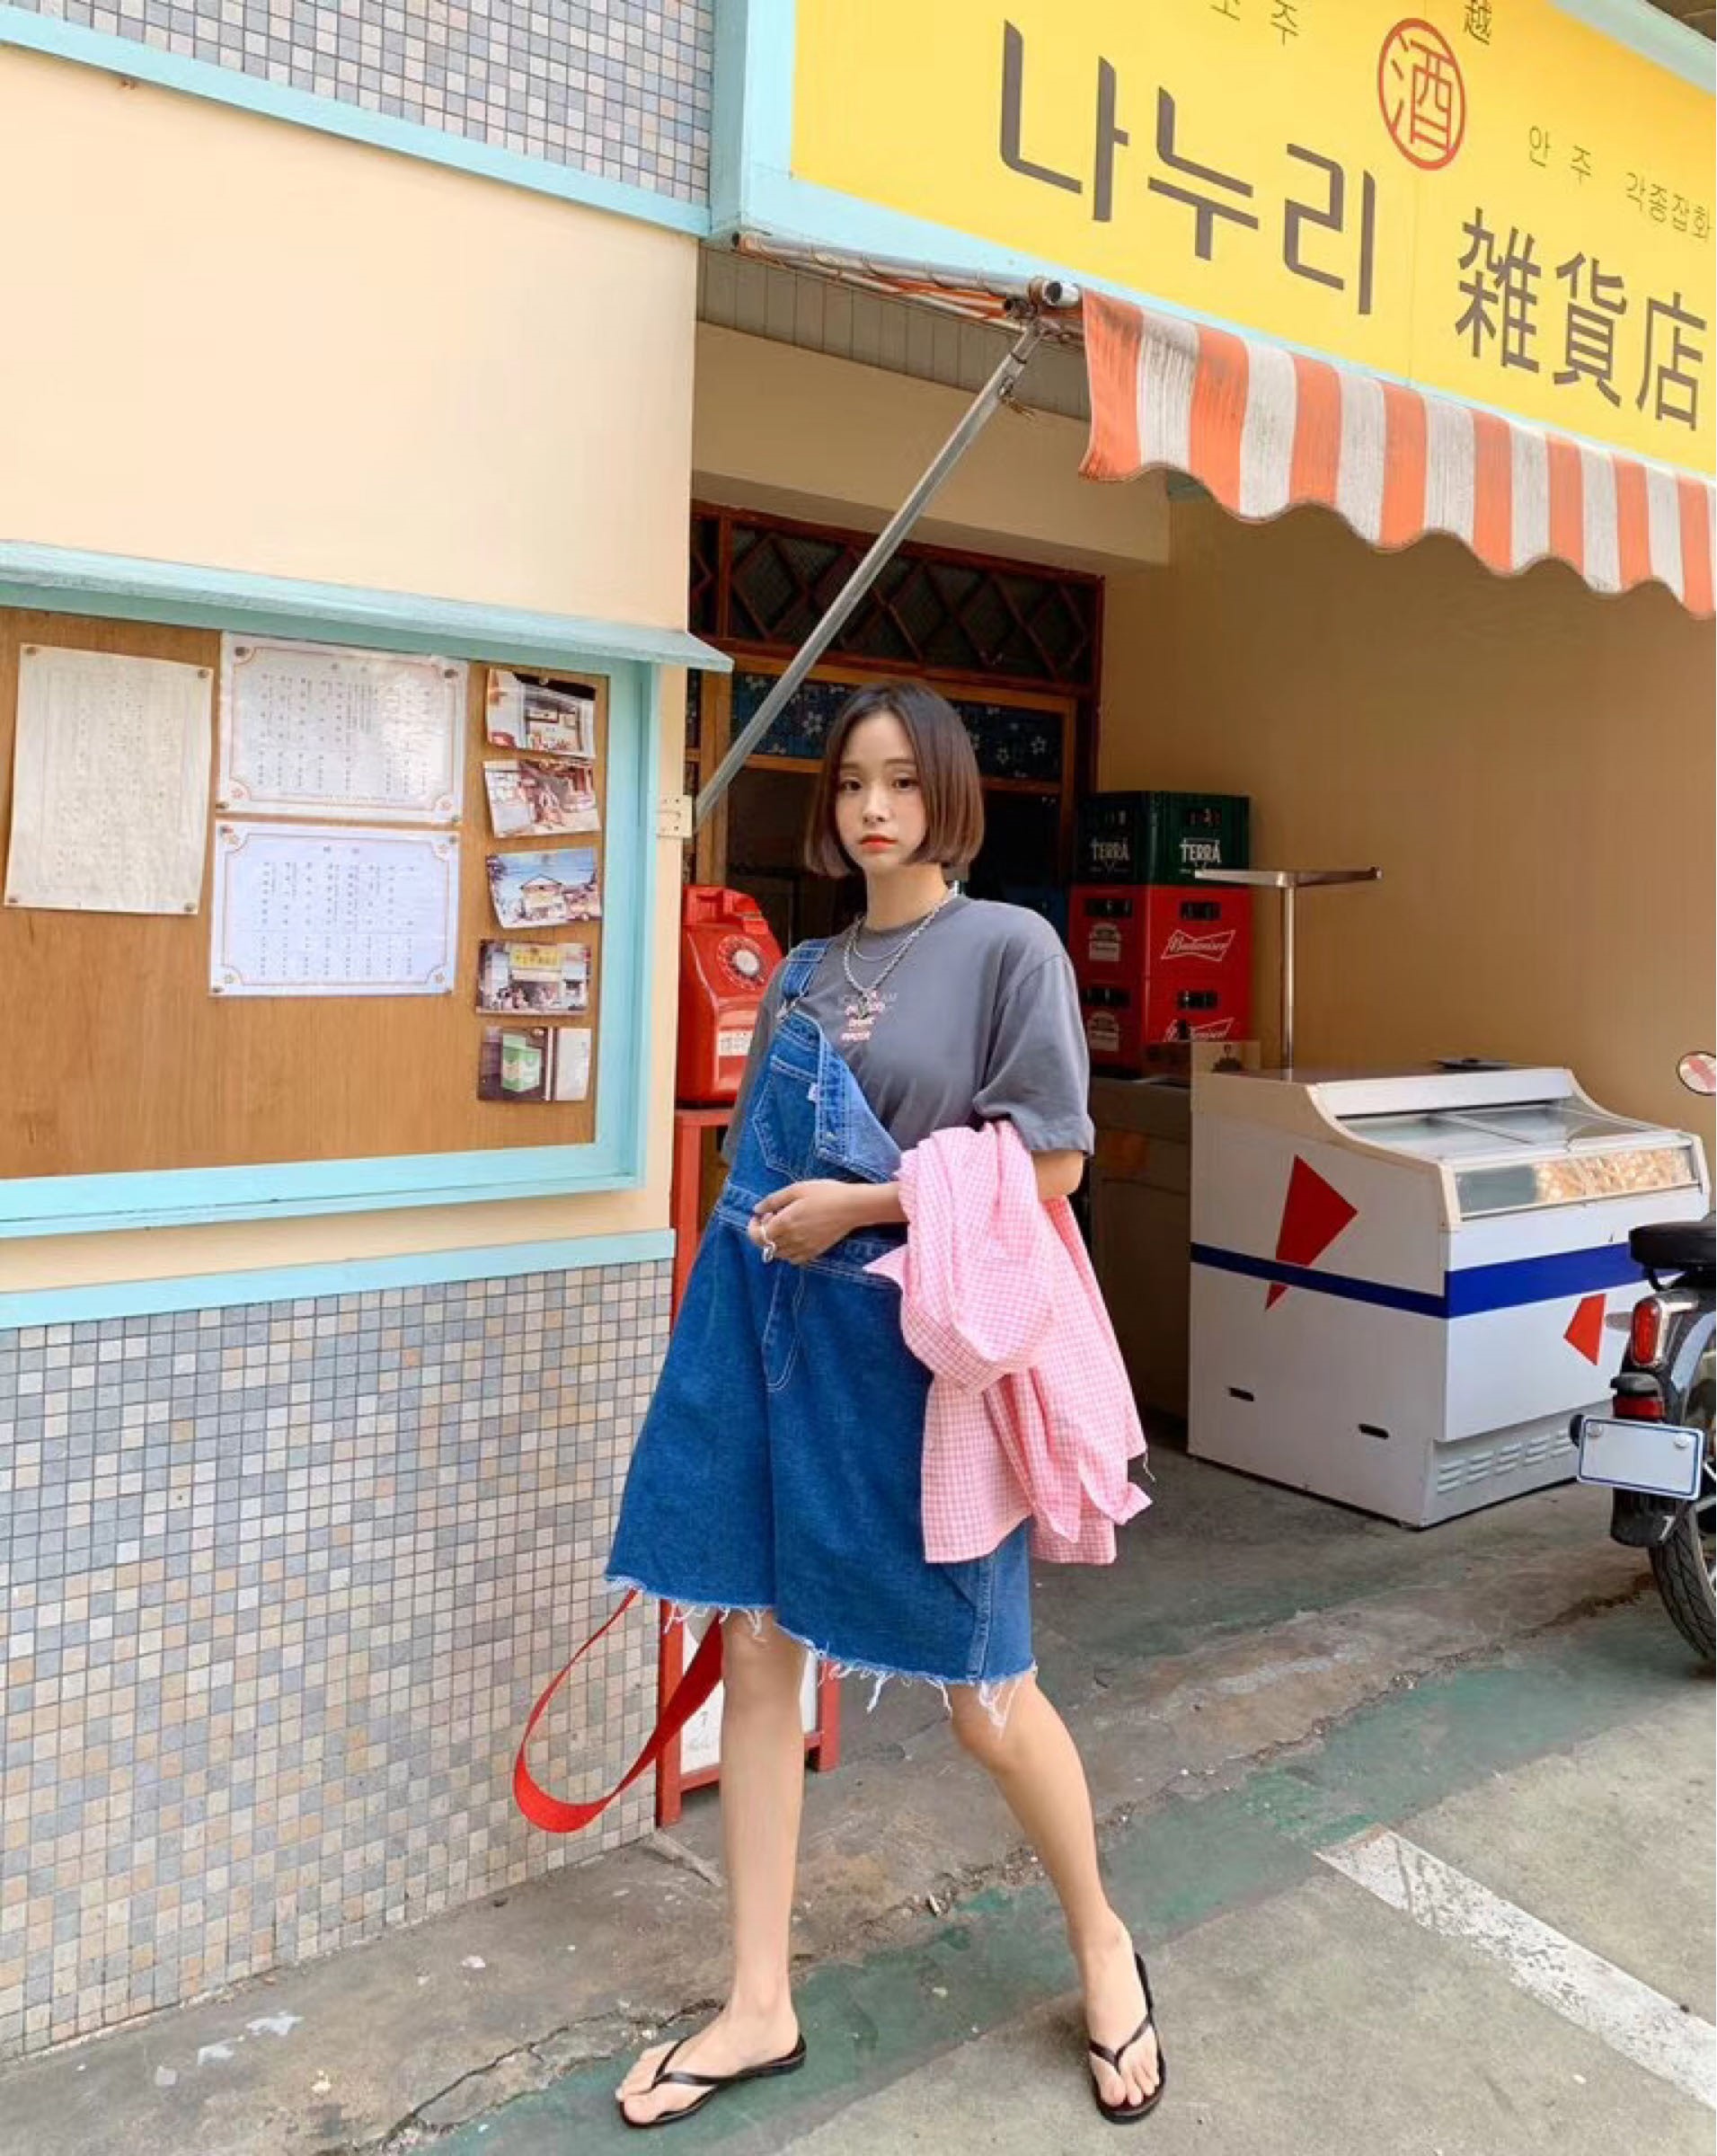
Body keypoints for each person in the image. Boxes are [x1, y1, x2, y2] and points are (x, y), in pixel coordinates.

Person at [604, 682, 1163, 2129]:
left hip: (922, 1367)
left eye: (903, 782)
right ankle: (758, 2003)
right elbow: (753, 1174)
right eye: (853, 781)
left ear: (949, 795)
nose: (873, 809)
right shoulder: (802, 967)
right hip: (778, 1342)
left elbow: (1052, 1165)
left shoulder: (1009, 949)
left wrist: (860, 1202)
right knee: (757, 1651)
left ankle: (1103, 1942)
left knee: (985, 1691)